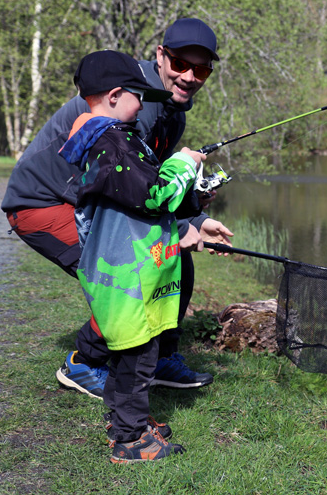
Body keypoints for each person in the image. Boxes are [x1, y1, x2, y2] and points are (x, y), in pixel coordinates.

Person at [1, 18, 233, 397]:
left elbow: (151, 181)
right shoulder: (130, 102)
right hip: (39, 204)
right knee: (129, 273)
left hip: (88, 199)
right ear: (161, 56)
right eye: (180, 64)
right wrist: (178, 228)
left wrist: (196, 219)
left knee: (171, 258)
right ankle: (84, 363)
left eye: (202, 69)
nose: (190, 76)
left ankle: (158, 358)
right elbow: (130, 192)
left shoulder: (170, 108)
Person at [61, 49, 203, 462]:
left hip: (128, 271)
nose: (142, 105)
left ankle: (130, 420)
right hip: (126, 278)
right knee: (138, 359)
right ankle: (128, 440)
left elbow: (142, 200)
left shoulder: (108, 141)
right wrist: (180, 164)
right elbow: (155, 194)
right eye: (138, 96)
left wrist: (194, 192)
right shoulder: (113, 144)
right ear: (115, 95)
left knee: (132, 356)